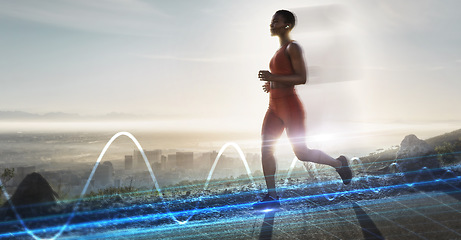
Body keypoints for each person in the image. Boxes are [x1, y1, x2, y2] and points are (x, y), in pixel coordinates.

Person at [254, 10, 352, 209]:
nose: (272, 24)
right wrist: (271, 85)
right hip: (273, 107)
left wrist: (272, 78)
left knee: (301, 153)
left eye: (276, 21)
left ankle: (339, 164)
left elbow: (301, 77)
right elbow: (284, 77)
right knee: (266, 149)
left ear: (287, 25)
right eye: (272, 20)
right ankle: (272, 197)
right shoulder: (277, 52)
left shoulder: (293, 47)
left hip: (290, 107)